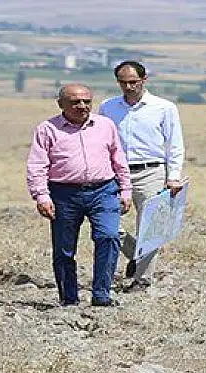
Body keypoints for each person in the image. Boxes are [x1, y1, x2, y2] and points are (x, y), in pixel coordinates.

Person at [26, 83, 132, 307]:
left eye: (86, 101)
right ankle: (69, 298)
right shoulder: (47, 129)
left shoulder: (105, 126)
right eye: (75, 102)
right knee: (64, 249)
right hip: (64, 194)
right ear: (60, 104)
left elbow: (118, 158)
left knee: (109, 237)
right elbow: (37, 165)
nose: (82, 106)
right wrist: (42, 196)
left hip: (103, 190)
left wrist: (125, 189)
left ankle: (102, 294)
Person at [99, 60, 185, 292]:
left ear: (144, 80)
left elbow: (174, 144)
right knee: (106, 223)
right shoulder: (108, 107)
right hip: (116, 173)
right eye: (123, 83)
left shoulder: (164, 108)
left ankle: (142, 279)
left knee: (149, 227)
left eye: (133, 82)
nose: (128, 87)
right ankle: (136, 253)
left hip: (152, 171)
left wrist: (173, 176)